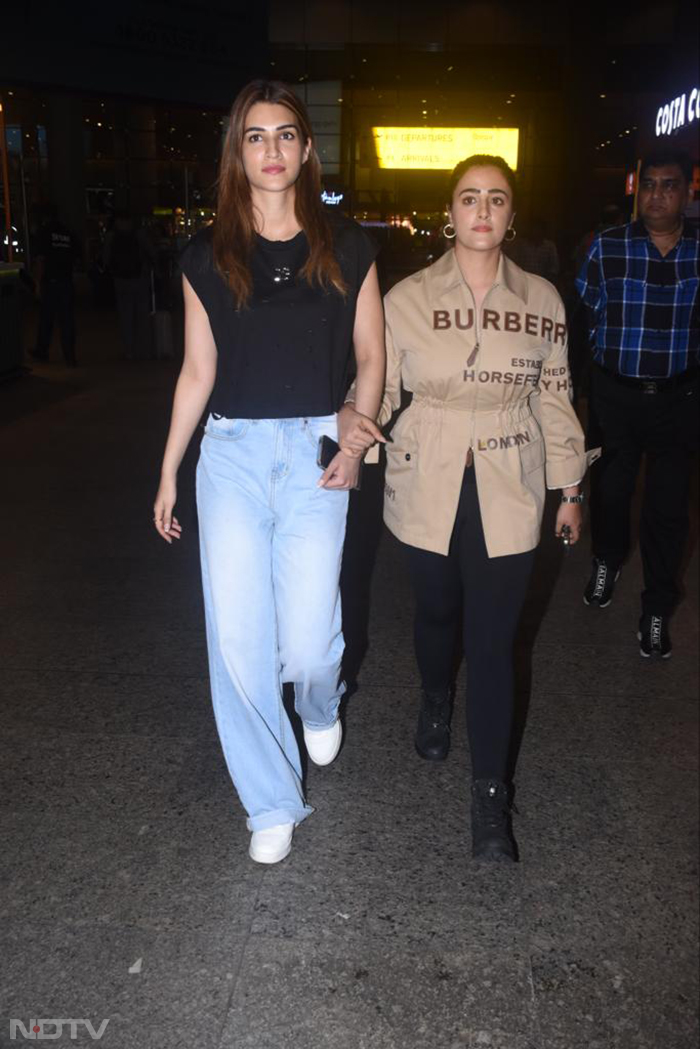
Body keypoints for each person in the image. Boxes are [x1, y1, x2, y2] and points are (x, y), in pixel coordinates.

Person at [153, 80, 385, 864]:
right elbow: (195, 370)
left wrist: (354, 444)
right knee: (238, 639)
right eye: (255, 137)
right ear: (237, 152)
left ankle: (324, 700)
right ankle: (270, 800)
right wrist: (168, 472)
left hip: (320, 446)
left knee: (313, 645)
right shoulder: (205, 256)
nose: (272, 150)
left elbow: (372, 357)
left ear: (306, 147)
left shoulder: (348, 245)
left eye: (285, 135)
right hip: (232, 456)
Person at [352, 154, 597, 862]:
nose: (482, 210)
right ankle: (435, 693)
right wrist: (352, 450)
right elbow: (381, 390)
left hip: (511, 484)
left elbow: (555, 394)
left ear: (512, 215)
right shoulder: (405, 298)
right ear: (450, 213)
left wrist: (571, 489)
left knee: (493, 641)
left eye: (496, 199)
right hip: (427, 480)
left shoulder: (545, 300)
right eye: (468, 198)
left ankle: (490, 797)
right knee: (435, 613)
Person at [576, 148, 699, 658]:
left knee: (668, 510)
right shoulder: (606, 248)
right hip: (615, 397)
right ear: (637, 189)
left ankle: (656, 610)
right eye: (649, 184)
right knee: (610, 492)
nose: (657, 194)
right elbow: (582, 321)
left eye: (669, 185)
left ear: (688, 193)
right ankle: (606, 558)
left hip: (680, 399)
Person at [31, 204, 79, 366]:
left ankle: (42, 350)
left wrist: (37, 283)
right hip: (66, 281)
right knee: (67, 320)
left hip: (51, 282)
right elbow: (77, 256)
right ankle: (70, 356)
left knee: (46, 319)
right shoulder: (67, 232)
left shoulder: (44, 233)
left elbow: (40, 260)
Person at [104, 212, 155, 359]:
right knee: (142, 315)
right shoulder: (139, 234)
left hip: (121, 279)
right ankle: (145, 350)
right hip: (140, 278)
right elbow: (151, 251)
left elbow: (106, 257)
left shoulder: (112, 236)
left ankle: (129, 350)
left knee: (126, 315)